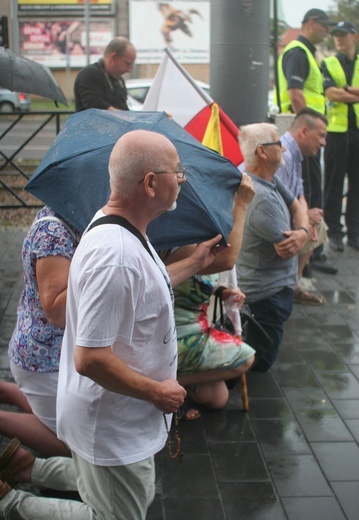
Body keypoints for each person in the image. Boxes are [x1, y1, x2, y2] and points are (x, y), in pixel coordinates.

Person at [0, 130, 230, 519]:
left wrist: (194, 263)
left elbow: (138, 292)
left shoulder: (117, 226)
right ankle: (11, 503)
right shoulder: (116, 254)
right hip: (110, 420)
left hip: (113, 416)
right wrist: (158, 393)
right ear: (151, 183)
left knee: (110, 486)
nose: (183, 178)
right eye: (178, 171)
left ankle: (28, 469)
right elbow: (89, 358)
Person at [164, 173, 256, 413]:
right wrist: (242, 204)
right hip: (178, 335)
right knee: (247, 359)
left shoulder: (199, 234)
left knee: (217, 398)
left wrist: (221, 294)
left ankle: (177, 385)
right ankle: (162, 387)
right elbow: (227, 260)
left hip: (196, 326)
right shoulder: (184, 243)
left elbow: (192, 285)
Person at [0, 206, 80, 457]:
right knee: (75, 444)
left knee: (57, 415)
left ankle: (6, 392)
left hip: (47, 354)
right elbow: (56, 311)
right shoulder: (53, 233)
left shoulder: (69, 215)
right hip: (45, 360)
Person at [236, 123, 310, 372]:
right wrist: (304, 232)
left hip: (272, 291)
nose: (284, 149)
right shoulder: (262, 198)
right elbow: (287, 249)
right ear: (263, 152)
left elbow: (299, 207)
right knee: (261, 363)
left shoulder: (270, 181)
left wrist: (303, 231)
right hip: (266, 296)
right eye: (278, 144)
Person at [276, 8, 337, 275]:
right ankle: (308, 257)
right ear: (311, 24)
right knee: (309, 191)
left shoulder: (305, 52)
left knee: (307, 189)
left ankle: (308, 256)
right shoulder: (298, 51)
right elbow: (295, 92)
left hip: (307, 131)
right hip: (305, 131)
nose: (327, 32)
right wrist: (310, 128)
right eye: (325, 26)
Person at [275, 108, 328, 305]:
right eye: (321, 136)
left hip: (281, 214)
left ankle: (292, 285)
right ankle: (284, 286)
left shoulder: (295, 153)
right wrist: (305, 224)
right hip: (266, 221)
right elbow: (277, 208)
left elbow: (299, 193)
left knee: (318, 223)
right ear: (304, 131)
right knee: (310, 225)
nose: (324, 143)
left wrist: (306, 218)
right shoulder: (284, 155)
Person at [321, 20, 359, 252]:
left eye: (343, 35)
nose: (338, 38)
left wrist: (344, 90)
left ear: (354, 37)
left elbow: (339, 91)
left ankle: (355, 233)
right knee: (333, 185)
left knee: (357, 185)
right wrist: (347, 91)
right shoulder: (329, 63)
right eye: (336, 35)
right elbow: (331, 93)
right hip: (336, 132)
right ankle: (334, 232)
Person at [74, 37, 136, 112]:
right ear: (113, 58)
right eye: (127, 63)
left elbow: (123, 107)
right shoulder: (89, 74)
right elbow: (93, 104)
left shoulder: (119, 80)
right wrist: (120, 115)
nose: (129, 69)